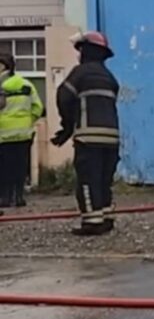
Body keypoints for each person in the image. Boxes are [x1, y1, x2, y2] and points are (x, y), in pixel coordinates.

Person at [51, 31, 120, 236]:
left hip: (88, 137)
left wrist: (67, 127)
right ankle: (106, 217)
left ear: (87, 51)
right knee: (104, 180)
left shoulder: (80, 73)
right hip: (112, 138)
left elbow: (64, 96)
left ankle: (92, 222)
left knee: (88, 180)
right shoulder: (109, 77)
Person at [0, 53, 44, 209]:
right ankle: (18, 197)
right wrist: (27, 121)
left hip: (3, 135)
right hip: (24, 134)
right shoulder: (26, 84)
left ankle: (5, 198)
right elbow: (38, 107)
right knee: (20, 167)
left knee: (4, 168)